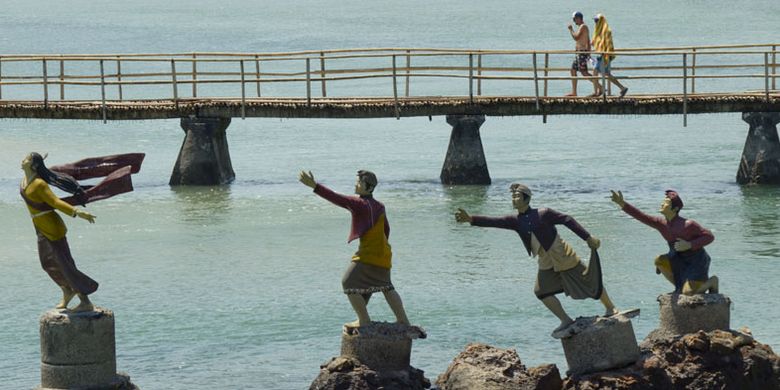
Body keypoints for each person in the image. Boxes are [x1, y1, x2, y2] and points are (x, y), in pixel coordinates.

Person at [456, 183, 622, 337]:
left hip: (561, 254)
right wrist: (471, 219)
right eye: (512, 197)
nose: (514, 200)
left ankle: (610, 306)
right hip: (545, 260)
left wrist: (587, 237)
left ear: (526, 199)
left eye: (517, 196)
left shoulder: (544, 213)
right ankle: (565, 320)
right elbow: (495, 221)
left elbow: (567, 219)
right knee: (541, 292)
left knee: (588, 278)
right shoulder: (515, 221)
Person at [20, 152, 144, 312]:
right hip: (39, 226)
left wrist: (77, 213)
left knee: (66, 265)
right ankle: (67, 290)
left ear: (33, 165)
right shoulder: (24, 181)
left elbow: (55, 202)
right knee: (47, 264)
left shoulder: (39, 184)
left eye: (26, 159)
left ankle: (85, 300)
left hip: (52, 227)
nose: (22, 160)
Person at [299, 169, 410, 328]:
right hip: (384, 253)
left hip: (368, 255)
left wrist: (315, 186)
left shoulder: (359, 204)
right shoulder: (379, 206)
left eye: (359, 182)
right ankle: (403, 320)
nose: (355, 184)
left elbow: (337, 198)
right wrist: (381, 249)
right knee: (386, 286)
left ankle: (364, 320)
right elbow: (386, 230)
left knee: (349, 282)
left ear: (369, 187)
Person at [610, 190, 719, 294]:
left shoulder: (688, 224)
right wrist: (622, 203)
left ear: (675, 208)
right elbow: (642, 217)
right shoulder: (661, 223)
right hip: (677, 259)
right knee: (660, 260)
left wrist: (689, 245)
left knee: (689, 293)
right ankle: (679, 286)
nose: (662, 204)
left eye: (666, 203)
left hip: (695, 262)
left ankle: (712, 282)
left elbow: (709, 236)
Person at [591, 13, 628, 98]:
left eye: (597, 20)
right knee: (605, 74)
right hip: (601, 55)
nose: (595, 22)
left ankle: (599, 91)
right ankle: (622, 88)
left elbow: (607, 43)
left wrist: (603, 51)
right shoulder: (598, 30)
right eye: (595, 21)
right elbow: (596, 42)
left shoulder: (606, 31)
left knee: (596, 73)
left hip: (604, 56)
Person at [566, 11, 601, 97]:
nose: (574, 22)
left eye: (574, 19)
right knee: (573, 70)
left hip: (582, 53)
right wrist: (588, 52)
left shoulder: (583, 26)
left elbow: (576, 37)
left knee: (584, 73)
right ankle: (574, 92)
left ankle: (601, 87)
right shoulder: (582, 27)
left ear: (578, 18)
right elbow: (588, 41)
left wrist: (571, 30)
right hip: (580, 53)